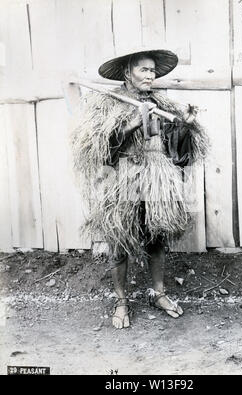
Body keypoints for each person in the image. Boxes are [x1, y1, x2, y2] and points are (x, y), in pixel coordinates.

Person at [72, 49, 209, 329]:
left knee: (156, 237)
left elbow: (179, 153)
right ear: (127, 73)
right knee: (119, 240)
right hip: (123, 179)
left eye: (152, 70)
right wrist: (130, 125)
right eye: (144, 70)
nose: (151, 75)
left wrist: (185, 126)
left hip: (158, 180)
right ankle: (122, 301)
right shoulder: (108, 104)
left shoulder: (161, 103)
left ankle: (157, 293)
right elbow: (97, 151)